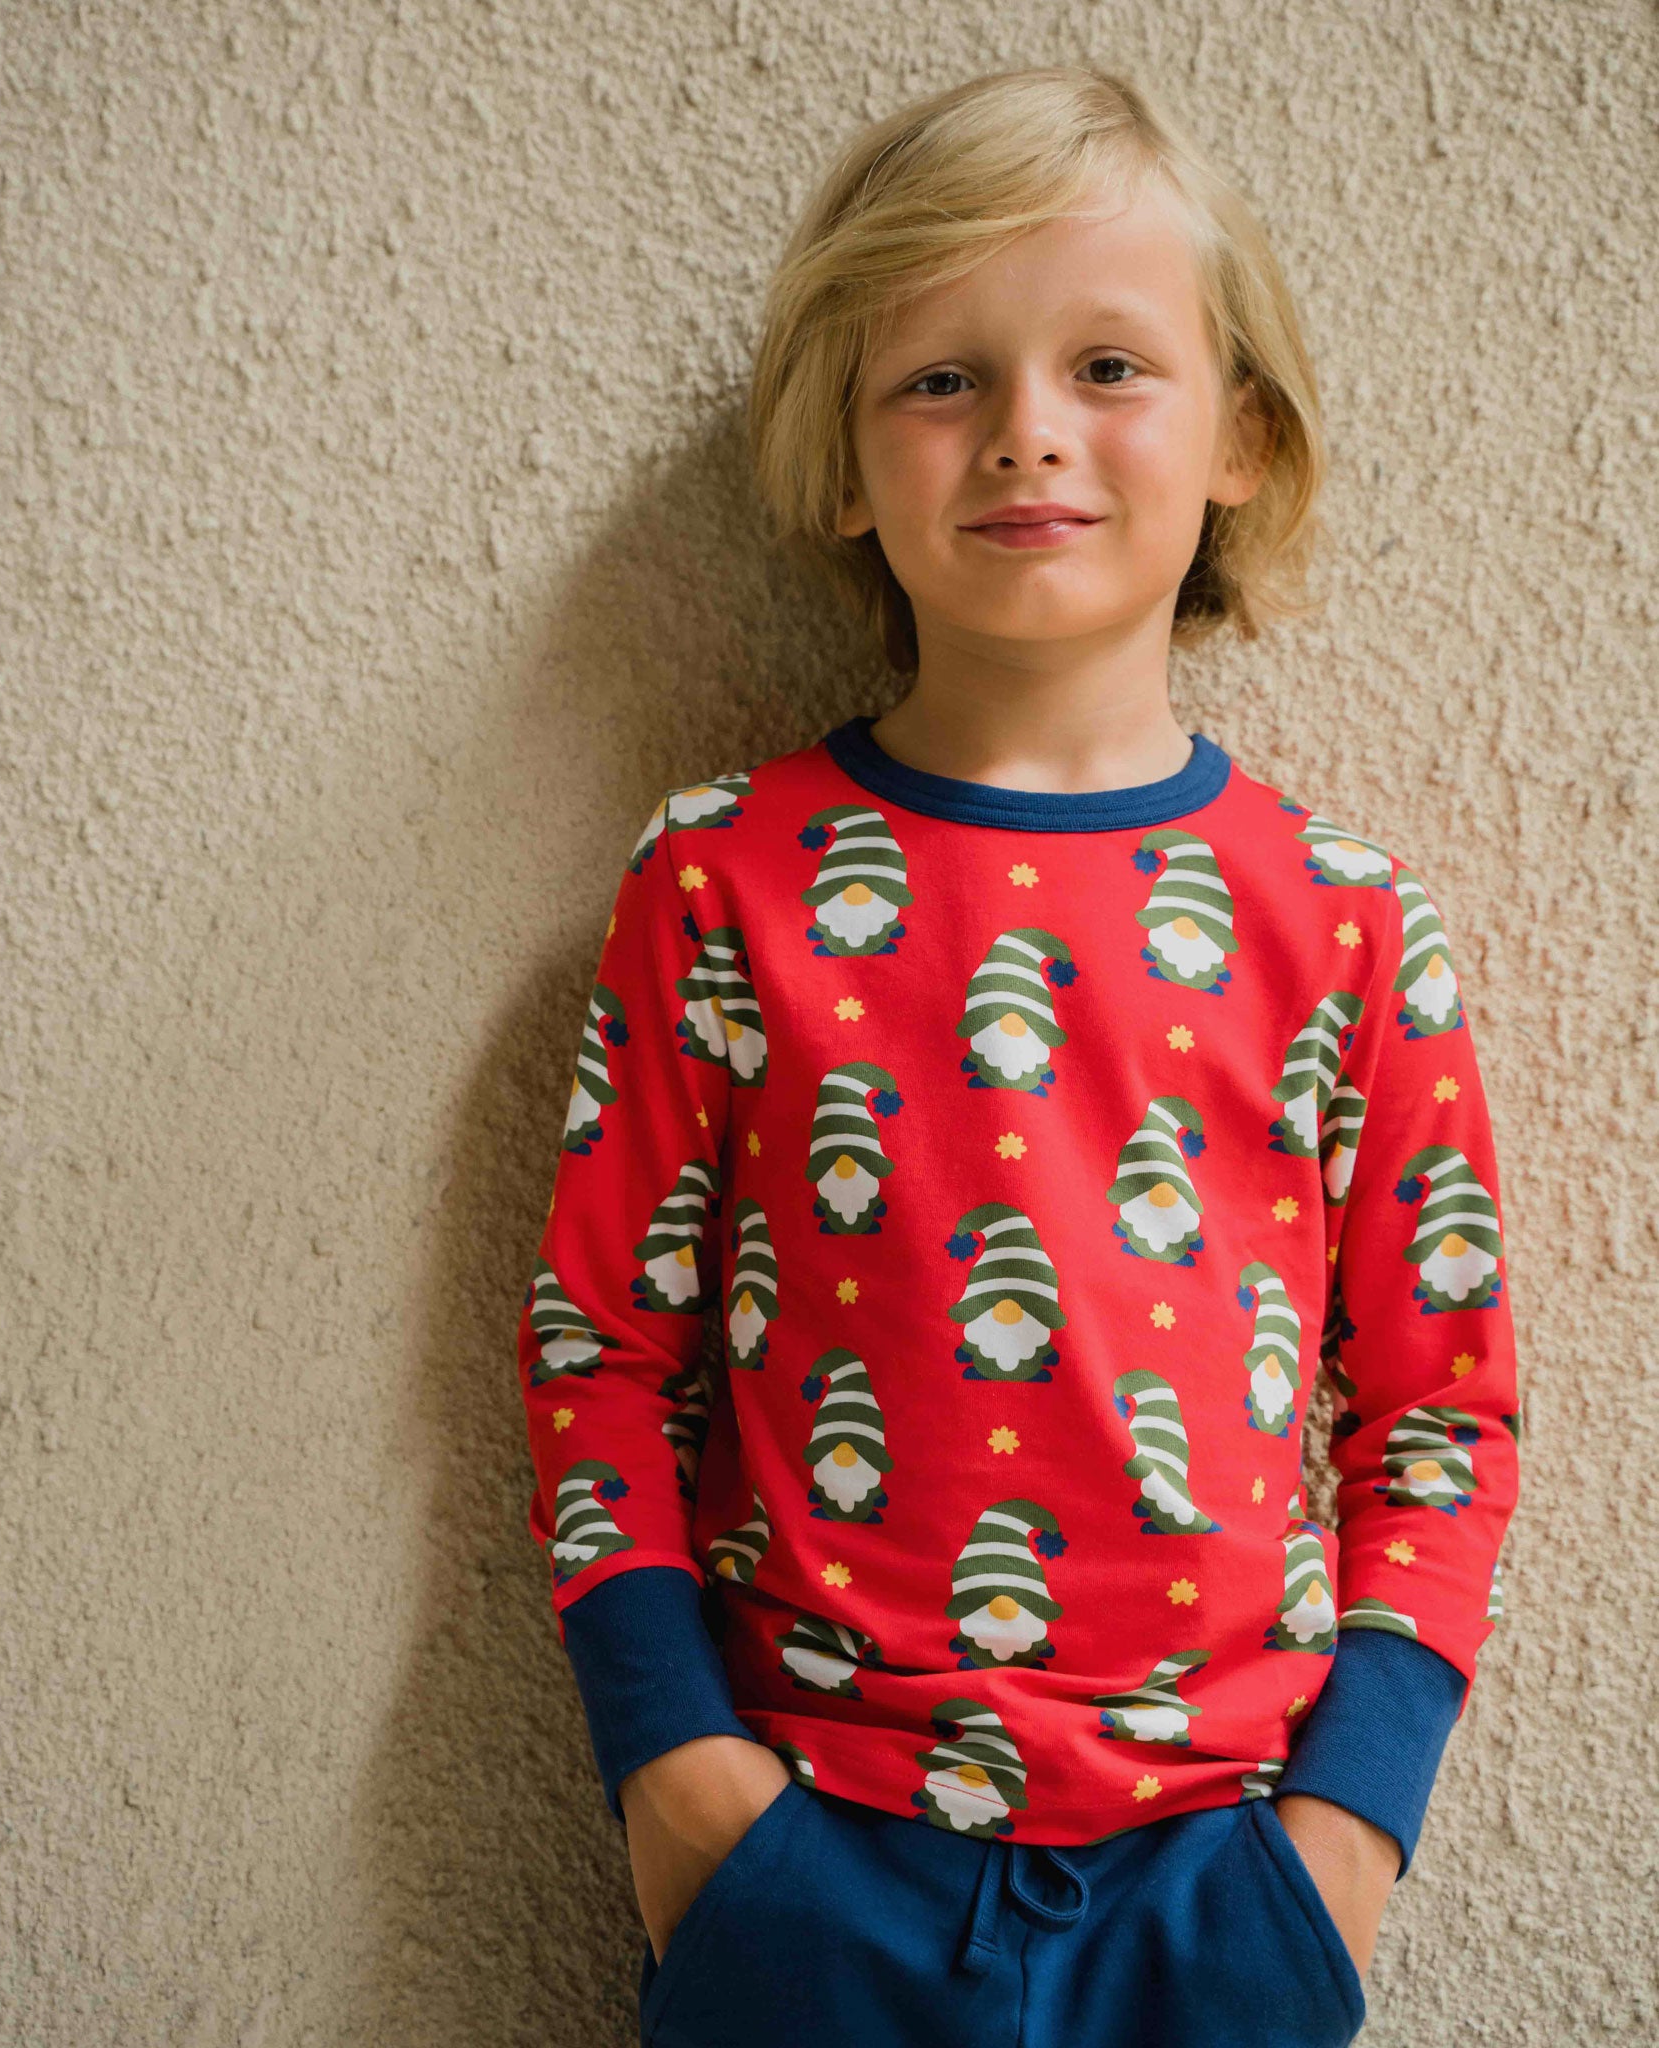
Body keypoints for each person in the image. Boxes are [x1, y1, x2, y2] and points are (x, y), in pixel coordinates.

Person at [517, 64, 1521, 2048]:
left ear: (1241, 429)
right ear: (838, 455)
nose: (1027, 435)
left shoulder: (1337, 915)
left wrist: (1345, 1832)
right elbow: (598, 1347)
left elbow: (1438, 1407)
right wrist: (676, 1777)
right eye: (941, 379)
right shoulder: (722, 880)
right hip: (803, 1866)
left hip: (1226, 1883)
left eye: (1110, 365)